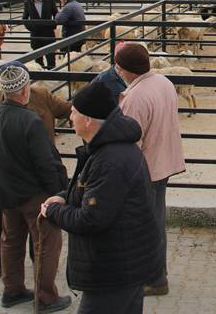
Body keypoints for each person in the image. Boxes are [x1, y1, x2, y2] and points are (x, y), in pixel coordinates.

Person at [42, 82, 164, 314]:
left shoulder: (110, 160)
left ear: (88, 120)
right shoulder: (109, 149)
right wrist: (63, 198)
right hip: (125, 263)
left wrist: (52, 212)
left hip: (114, 271)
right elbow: (92, 190)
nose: (70, 116)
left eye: (74, 112)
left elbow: (92, 219)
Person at [0, 66, 70, 312]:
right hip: (32, 194)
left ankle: (12, 290)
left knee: (10, 241)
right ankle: (46, 297)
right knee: (46, 243)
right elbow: (45, 162)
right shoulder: (30, 121)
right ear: (25, 89)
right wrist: (59, 191)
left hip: (4, 191)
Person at [115, 43, 185, 296]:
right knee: (155, 220)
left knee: (145, 224)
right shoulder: (164, 82)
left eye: (120, 68)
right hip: (163, 161)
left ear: (128, 70)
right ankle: (154, 275)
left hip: (145, 168)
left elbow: (131, 138)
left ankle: (154, 279)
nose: (118, 72)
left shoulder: (136, 97)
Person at [22, 0, 58, 69]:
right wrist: (31, 28)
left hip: (48, 34)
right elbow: (24, 18)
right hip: (36, 36)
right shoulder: (28, 3)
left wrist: (52, 25)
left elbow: (56, 14)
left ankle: (52, 78)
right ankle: (41, 80)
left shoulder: (49, 0)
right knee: (38, 62)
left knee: (51, 59)